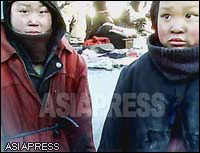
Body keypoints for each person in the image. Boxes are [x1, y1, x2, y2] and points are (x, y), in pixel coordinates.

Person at [98, 1, 199, 152]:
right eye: (166, 16)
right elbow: (112, 142)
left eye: (189, 15)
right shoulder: (132, 75)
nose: (176, 28)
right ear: (155, 21)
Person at [1, 1, 95, 152]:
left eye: (42, 12)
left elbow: (82, 130)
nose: (33, 21)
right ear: (8, 14)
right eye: (24, 11)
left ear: (53, 14)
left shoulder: (72, 62)